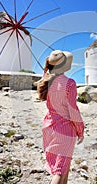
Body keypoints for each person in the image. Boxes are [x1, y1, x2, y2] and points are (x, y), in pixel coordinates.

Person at [37, 50, 85, 184]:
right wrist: (80, 130)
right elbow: (73, 110)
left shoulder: (47, 80)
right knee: (59, 171)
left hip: (49, 126)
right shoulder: (69, 83)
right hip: (64, 129)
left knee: (63, 166)